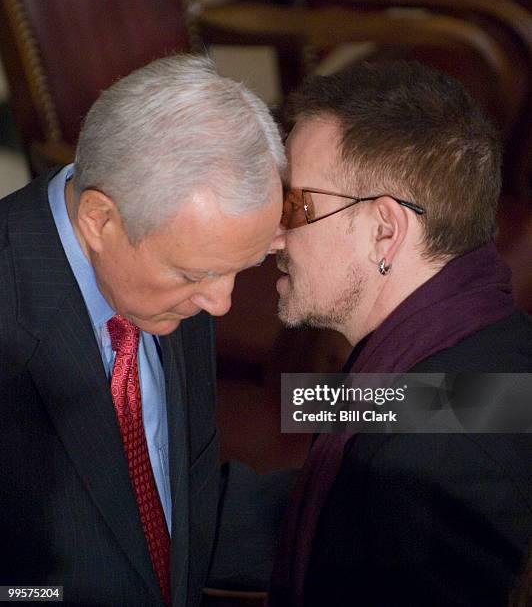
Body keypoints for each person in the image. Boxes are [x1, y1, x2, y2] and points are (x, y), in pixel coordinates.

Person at [0, 54, 289, 606]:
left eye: (239, 270)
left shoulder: (167, 279)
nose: (220, 302)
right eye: (195, 273)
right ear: (100, 219)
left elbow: (163, 491)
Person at [269, 61, 532, 606]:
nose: (274, 237)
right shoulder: (493, 346)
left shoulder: (415, 475)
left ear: (384, 232)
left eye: (295, 205)